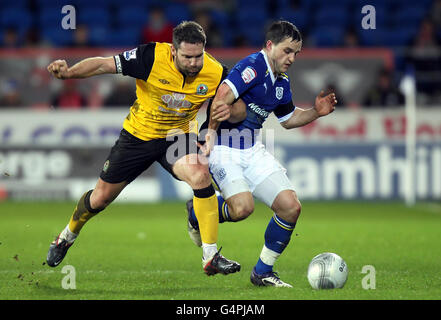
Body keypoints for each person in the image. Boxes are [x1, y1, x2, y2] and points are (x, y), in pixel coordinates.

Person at [45, 21, 241, 276]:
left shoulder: (215, 72)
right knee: (100, 198)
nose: (194, 63)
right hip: (138, 136)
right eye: (187, 57)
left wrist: (222, 118)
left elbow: (234, 105)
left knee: (200, 174)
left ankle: (210, 256)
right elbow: (105, 64)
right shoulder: (149, 56)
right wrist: (69, 73)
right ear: (173, 51)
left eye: (198, 56)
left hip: (177, 135)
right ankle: (66, 236)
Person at [186, 20, 337, 287]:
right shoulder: (252, 66)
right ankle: (198, 212)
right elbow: (221, 95)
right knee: (243, 208)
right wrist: (209, 133)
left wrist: (316, 112)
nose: (291, 58)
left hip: (252, 149)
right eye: (287, 51)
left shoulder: (281, 82)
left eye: (296, 53)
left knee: (291, 208)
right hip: (223, 148)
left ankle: (263, 272)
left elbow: (288, 119)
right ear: (270, 45)